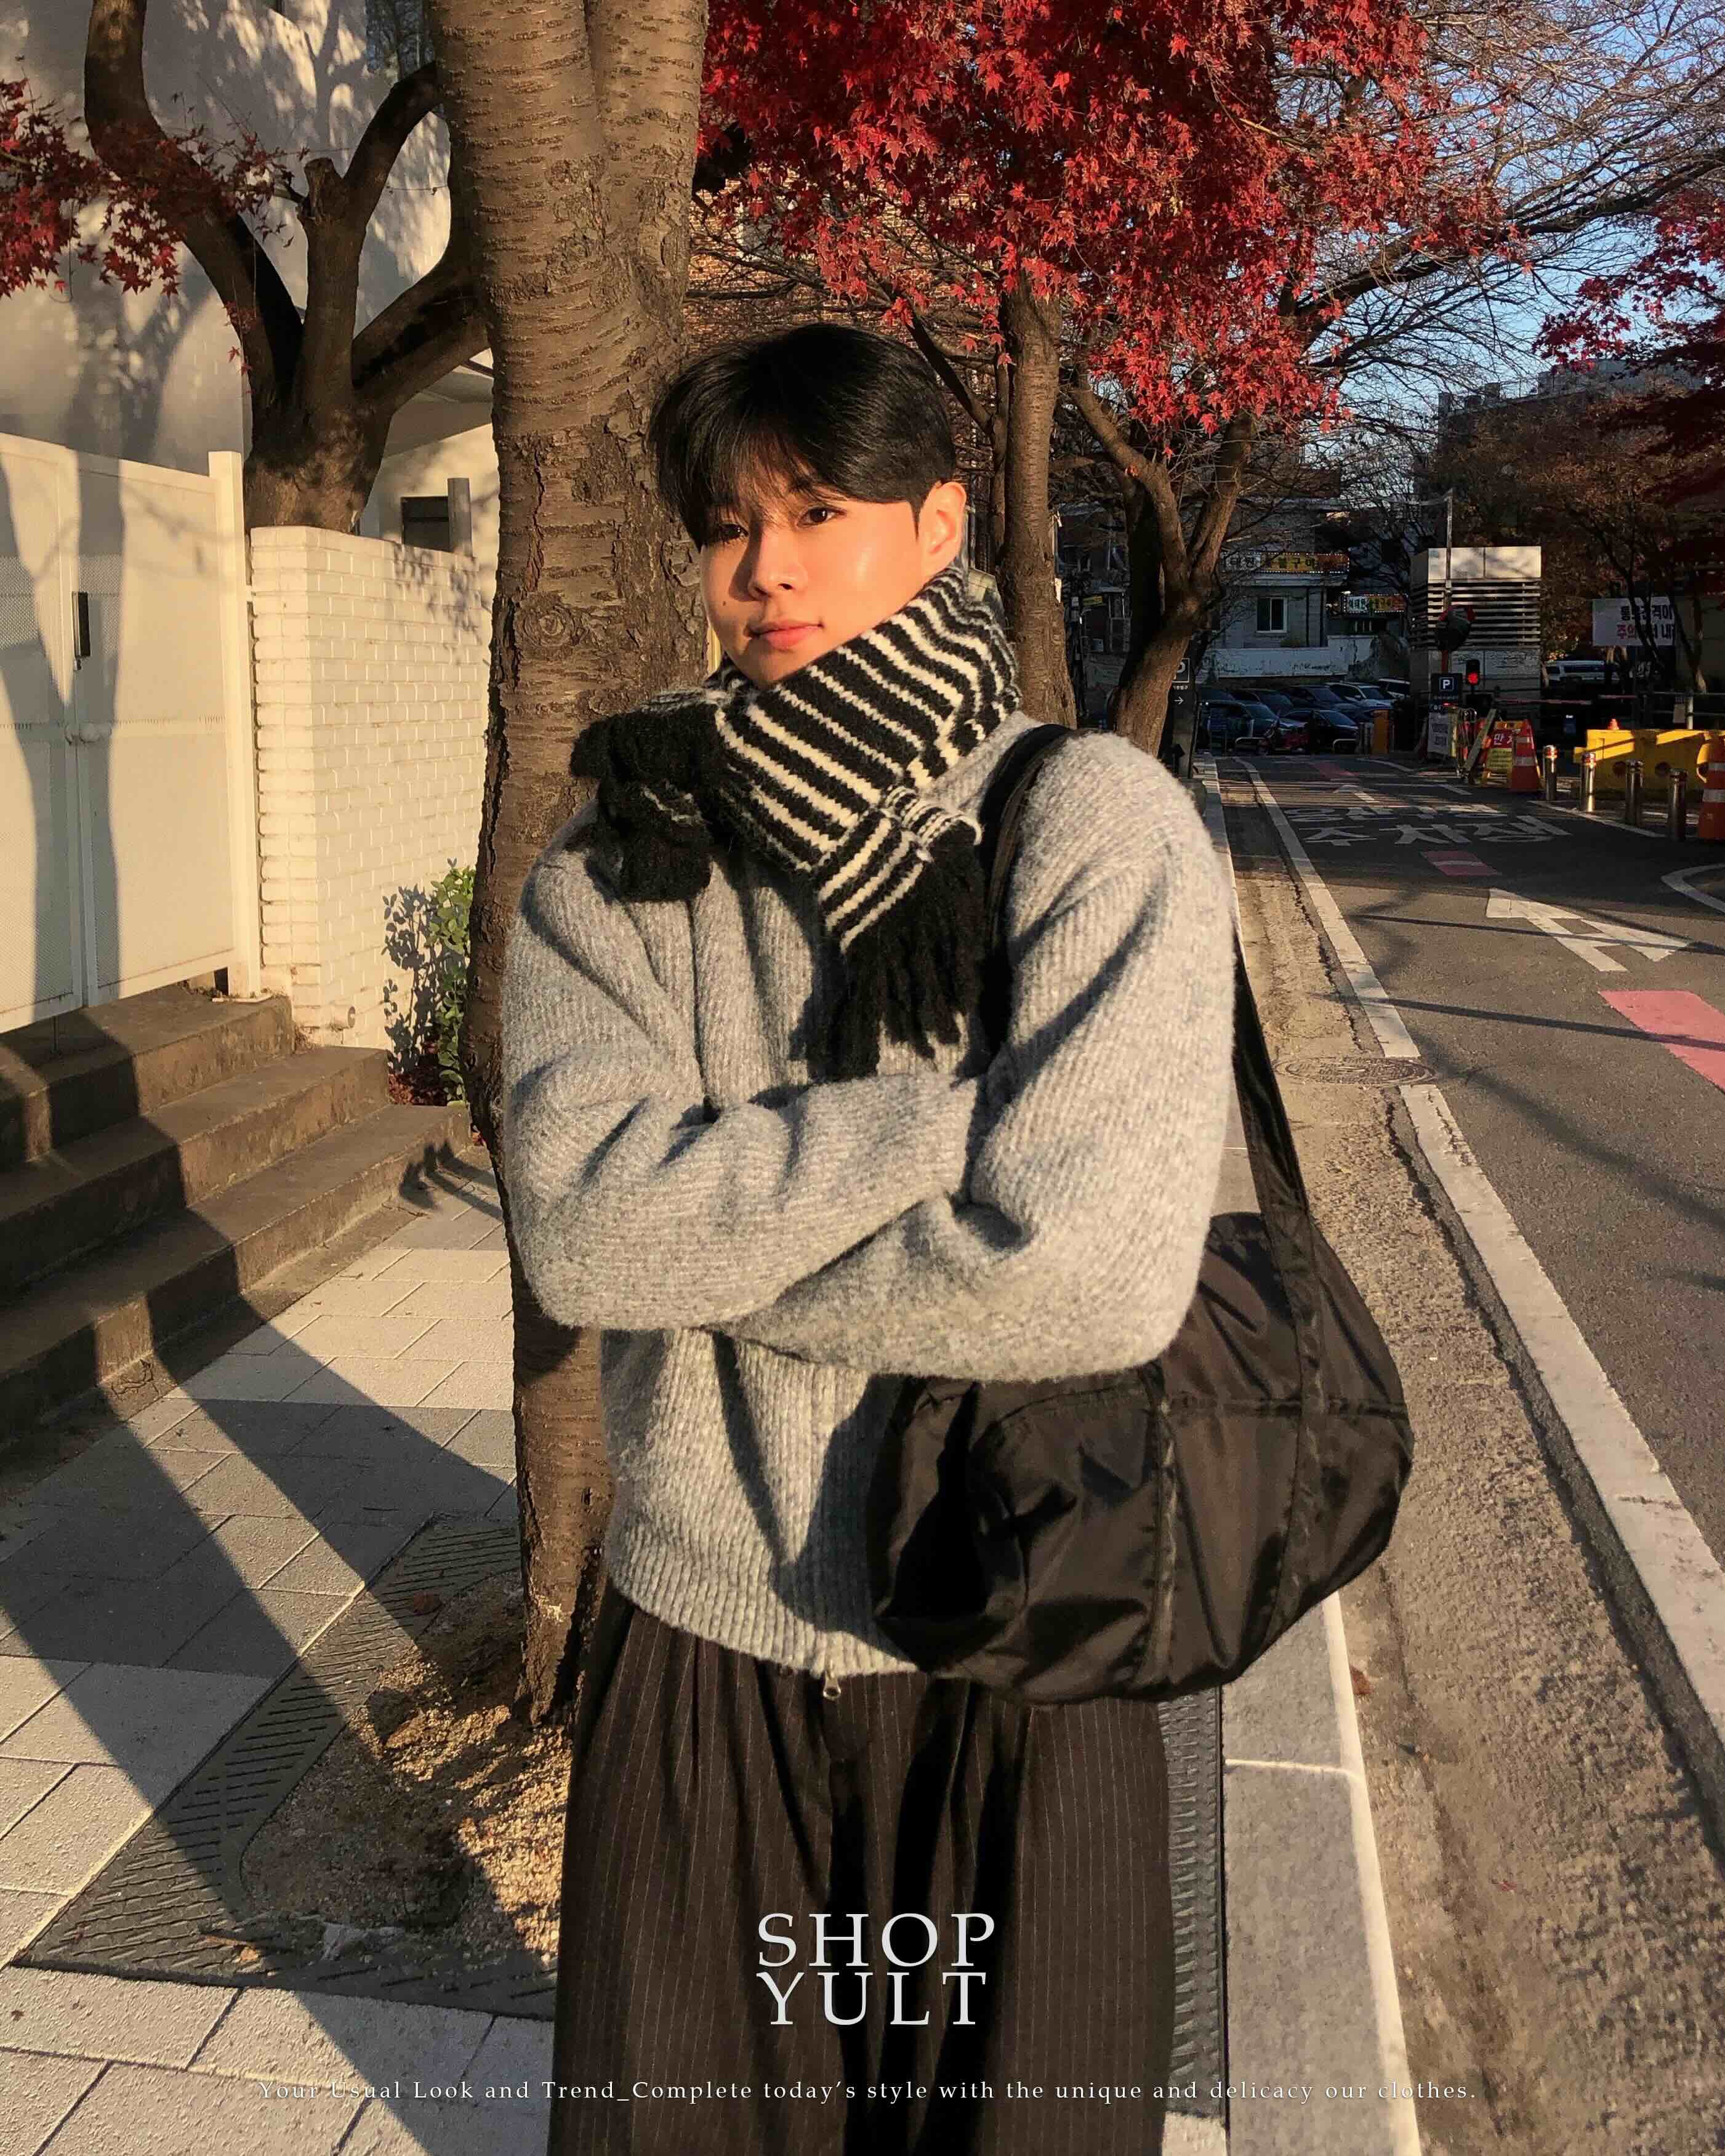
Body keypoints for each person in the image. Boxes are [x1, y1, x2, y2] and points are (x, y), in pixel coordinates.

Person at [500, 321, 1234, 2156]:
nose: (764, 569)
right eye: (725, 524)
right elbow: (580, 1237)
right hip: (706, 1649)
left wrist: (715, 1228)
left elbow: (1095, 1274)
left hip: (1017, 1642)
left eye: (816, 510)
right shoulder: (623, 856)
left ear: (940, 520)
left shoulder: (1091, 828)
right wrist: (942, 1133)